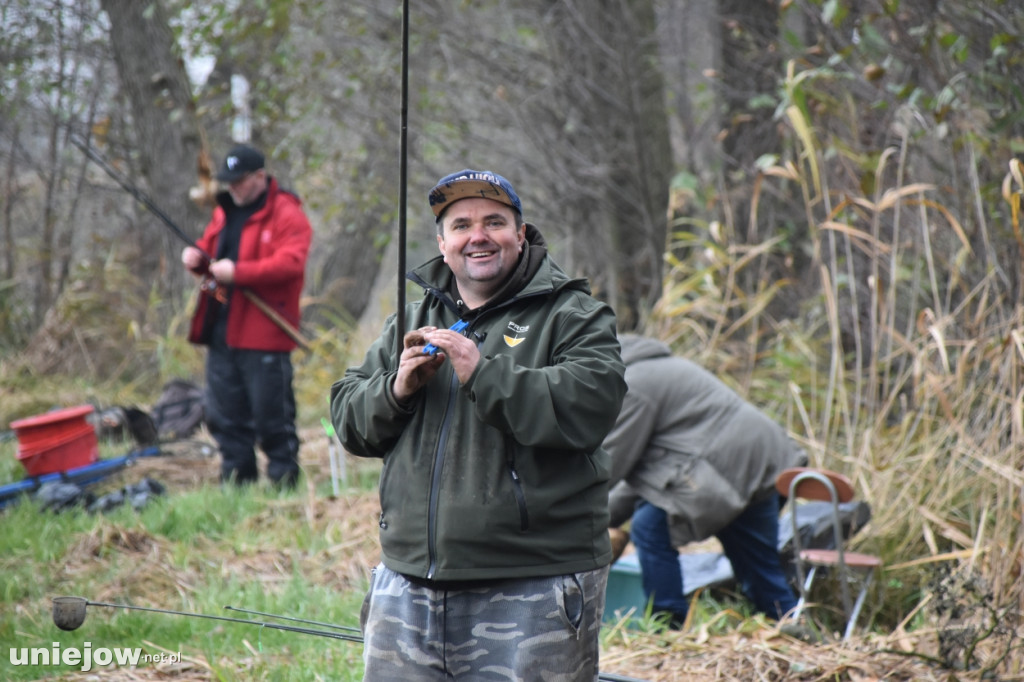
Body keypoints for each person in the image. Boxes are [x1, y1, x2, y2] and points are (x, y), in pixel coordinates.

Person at [330, 169, 627, 681]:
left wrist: (482, 372)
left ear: (520, 233)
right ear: (443, 243)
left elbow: (589, 406)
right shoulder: (412, 317)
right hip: (408, 585)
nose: (479, 236)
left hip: (534, 586)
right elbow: (350, 418)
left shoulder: (573, 314)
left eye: (495, 221)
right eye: (461, 225)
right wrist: (397, 390)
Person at [604, 334, 807, 628]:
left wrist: (565, 513)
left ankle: (669, 626)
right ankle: (793, 629)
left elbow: (609, 463)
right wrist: (605, 515)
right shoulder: (657, 369)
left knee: (649, 527)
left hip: (723, 468)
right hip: (761, 465)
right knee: (760, 571)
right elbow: (637, 474)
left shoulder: (635, 385)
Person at [181, 144, 311, 488]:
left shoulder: (287, 212)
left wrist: (238, 273)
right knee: (225, 415)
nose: (234, 188)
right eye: (229, 182)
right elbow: (208, 248)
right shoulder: (225, 212)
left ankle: (285, 484)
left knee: (273, 417)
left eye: (240, 181)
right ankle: (237, 484)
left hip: (265, 332)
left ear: (259, 176)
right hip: (221, 330)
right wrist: (197, 259)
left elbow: (291, 263)